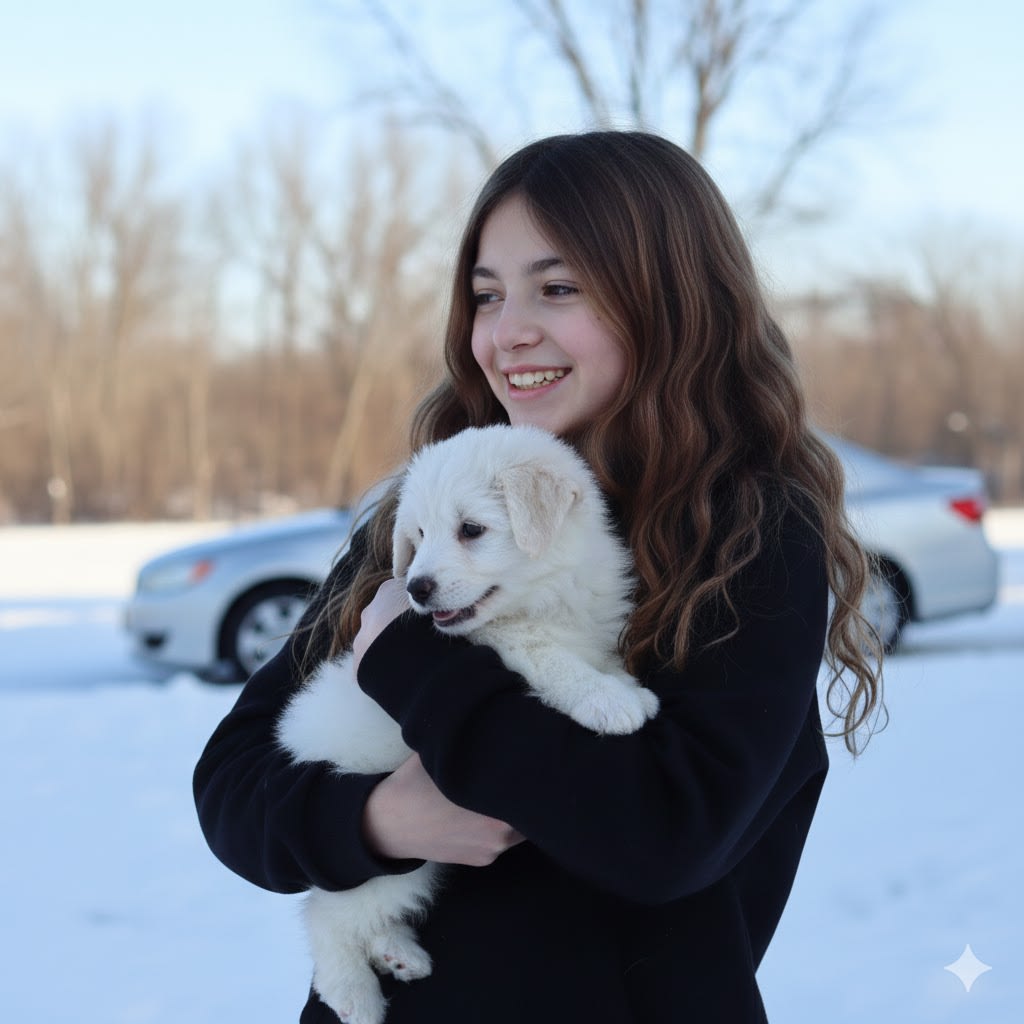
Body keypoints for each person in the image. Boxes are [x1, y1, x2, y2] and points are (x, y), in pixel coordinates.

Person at [194, 130, 882, 1023]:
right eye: (486, 295)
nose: (507, 331)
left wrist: (415, 665)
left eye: (557, 289)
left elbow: (666, 837)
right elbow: (236, 782)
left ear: (671, 303)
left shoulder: (745, 537)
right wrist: (378, 821)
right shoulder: (430, 509)